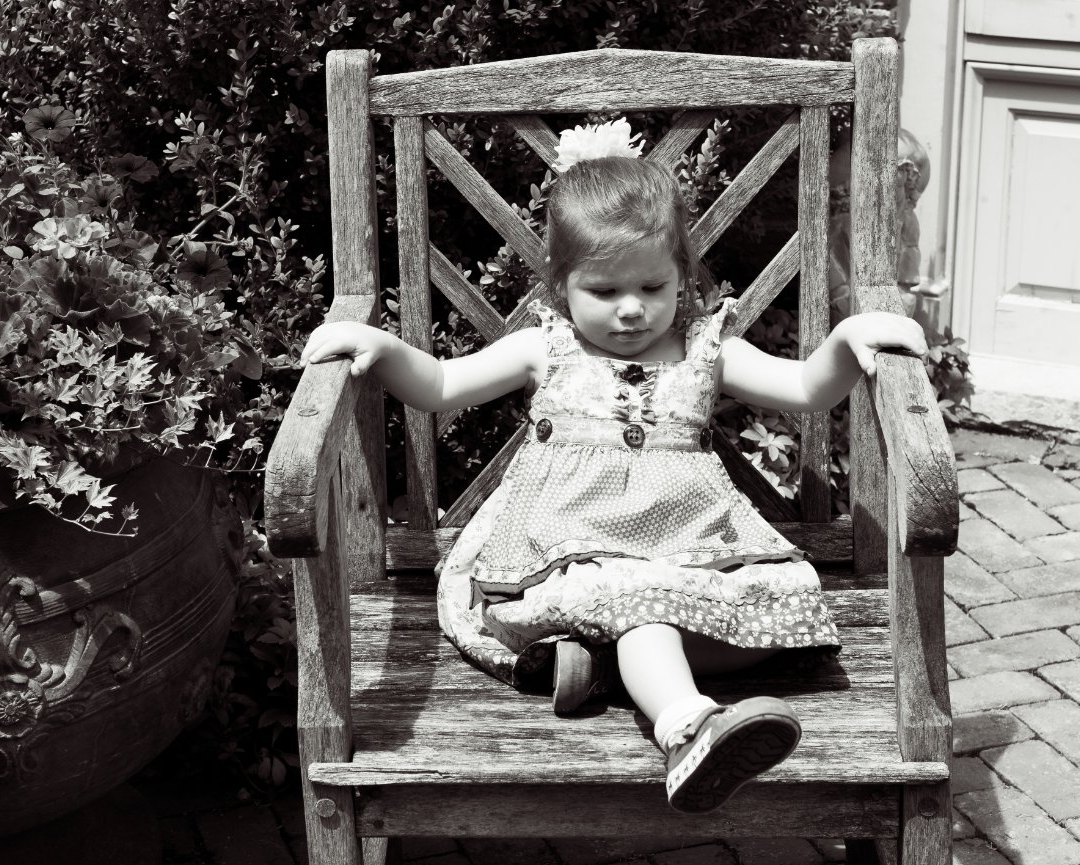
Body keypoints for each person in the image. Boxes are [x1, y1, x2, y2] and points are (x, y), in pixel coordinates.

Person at [301, 119, 926, 815]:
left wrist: (849, 337)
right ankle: (690, 728)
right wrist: (378, 348)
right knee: (637, 609)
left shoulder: (705, 347)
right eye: (603, 292)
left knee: (693, 617)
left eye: (653, 287)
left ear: (683, 277)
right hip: (569, 563)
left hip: (694, 564)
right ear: (559, 285)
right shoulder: (547, 347)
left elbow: (809, 389)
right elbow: (442, 385)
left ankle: (593, 666)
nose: (631, 310)